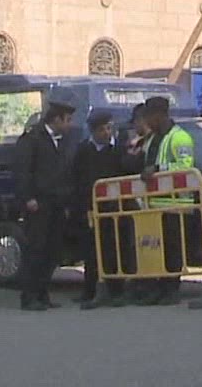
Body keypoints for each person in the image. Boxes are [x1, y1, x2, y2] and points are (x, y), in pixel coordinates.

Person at [11, 100, 76, 312]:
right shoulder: (32, 139)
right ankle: (29, 296)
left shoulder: (62, 141)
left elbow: (64, 172)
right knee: (35, 250)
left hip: (56, 203)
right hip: (38, 203)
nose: (70, 125)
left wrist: (66, 202)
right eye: (67, 120)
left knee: (52, 251)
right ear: (56, 119)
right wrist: (27, 198)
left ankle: (42, 293)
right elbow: (22, 171)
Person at [135, 96, 199, 306]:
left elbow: (185, 167)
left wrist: (157, 169)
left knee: (173, 250)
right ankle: (158, 289)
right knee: (157, 250)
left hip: (176, 205)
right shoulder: (152, 139)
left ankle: (171, 290)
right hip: (154, 205)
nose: (146, 122)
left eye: (149, 117)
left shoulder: (180, 138)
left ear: (159, 115)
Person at [72, 112, 138, 309]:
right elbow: (77, 179)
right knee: (92, 250)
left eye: (109, 128)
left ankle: (116, 289)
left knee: (115, 248)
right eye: (102, 129)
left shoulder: (118, 150)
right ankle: (90, 289)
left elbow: (127, 171)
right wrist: (81, 206)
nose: (107, 133)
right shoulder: (84, 151)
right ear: (93, 131)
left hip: (115, 208)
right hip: (92, 208)